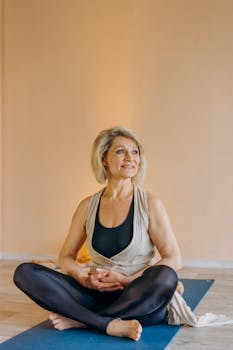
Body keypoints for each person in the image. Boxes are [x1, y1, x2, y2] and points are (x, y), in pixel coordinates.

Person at [13, 126, 182, 341]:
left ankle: (84, 320)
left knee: (166, 277)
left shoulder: (150, 203)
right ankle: (109, 322)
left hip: (137, 295)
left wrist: (127, 279)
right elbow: (66, 256)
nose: (130, 158)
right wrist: (82, 277)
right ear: (104, 159)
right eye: (121, 151)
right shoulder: (87, 206)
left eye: (135, 151)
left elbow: (173, 258)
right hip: (96, 292)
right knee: (25, 272)